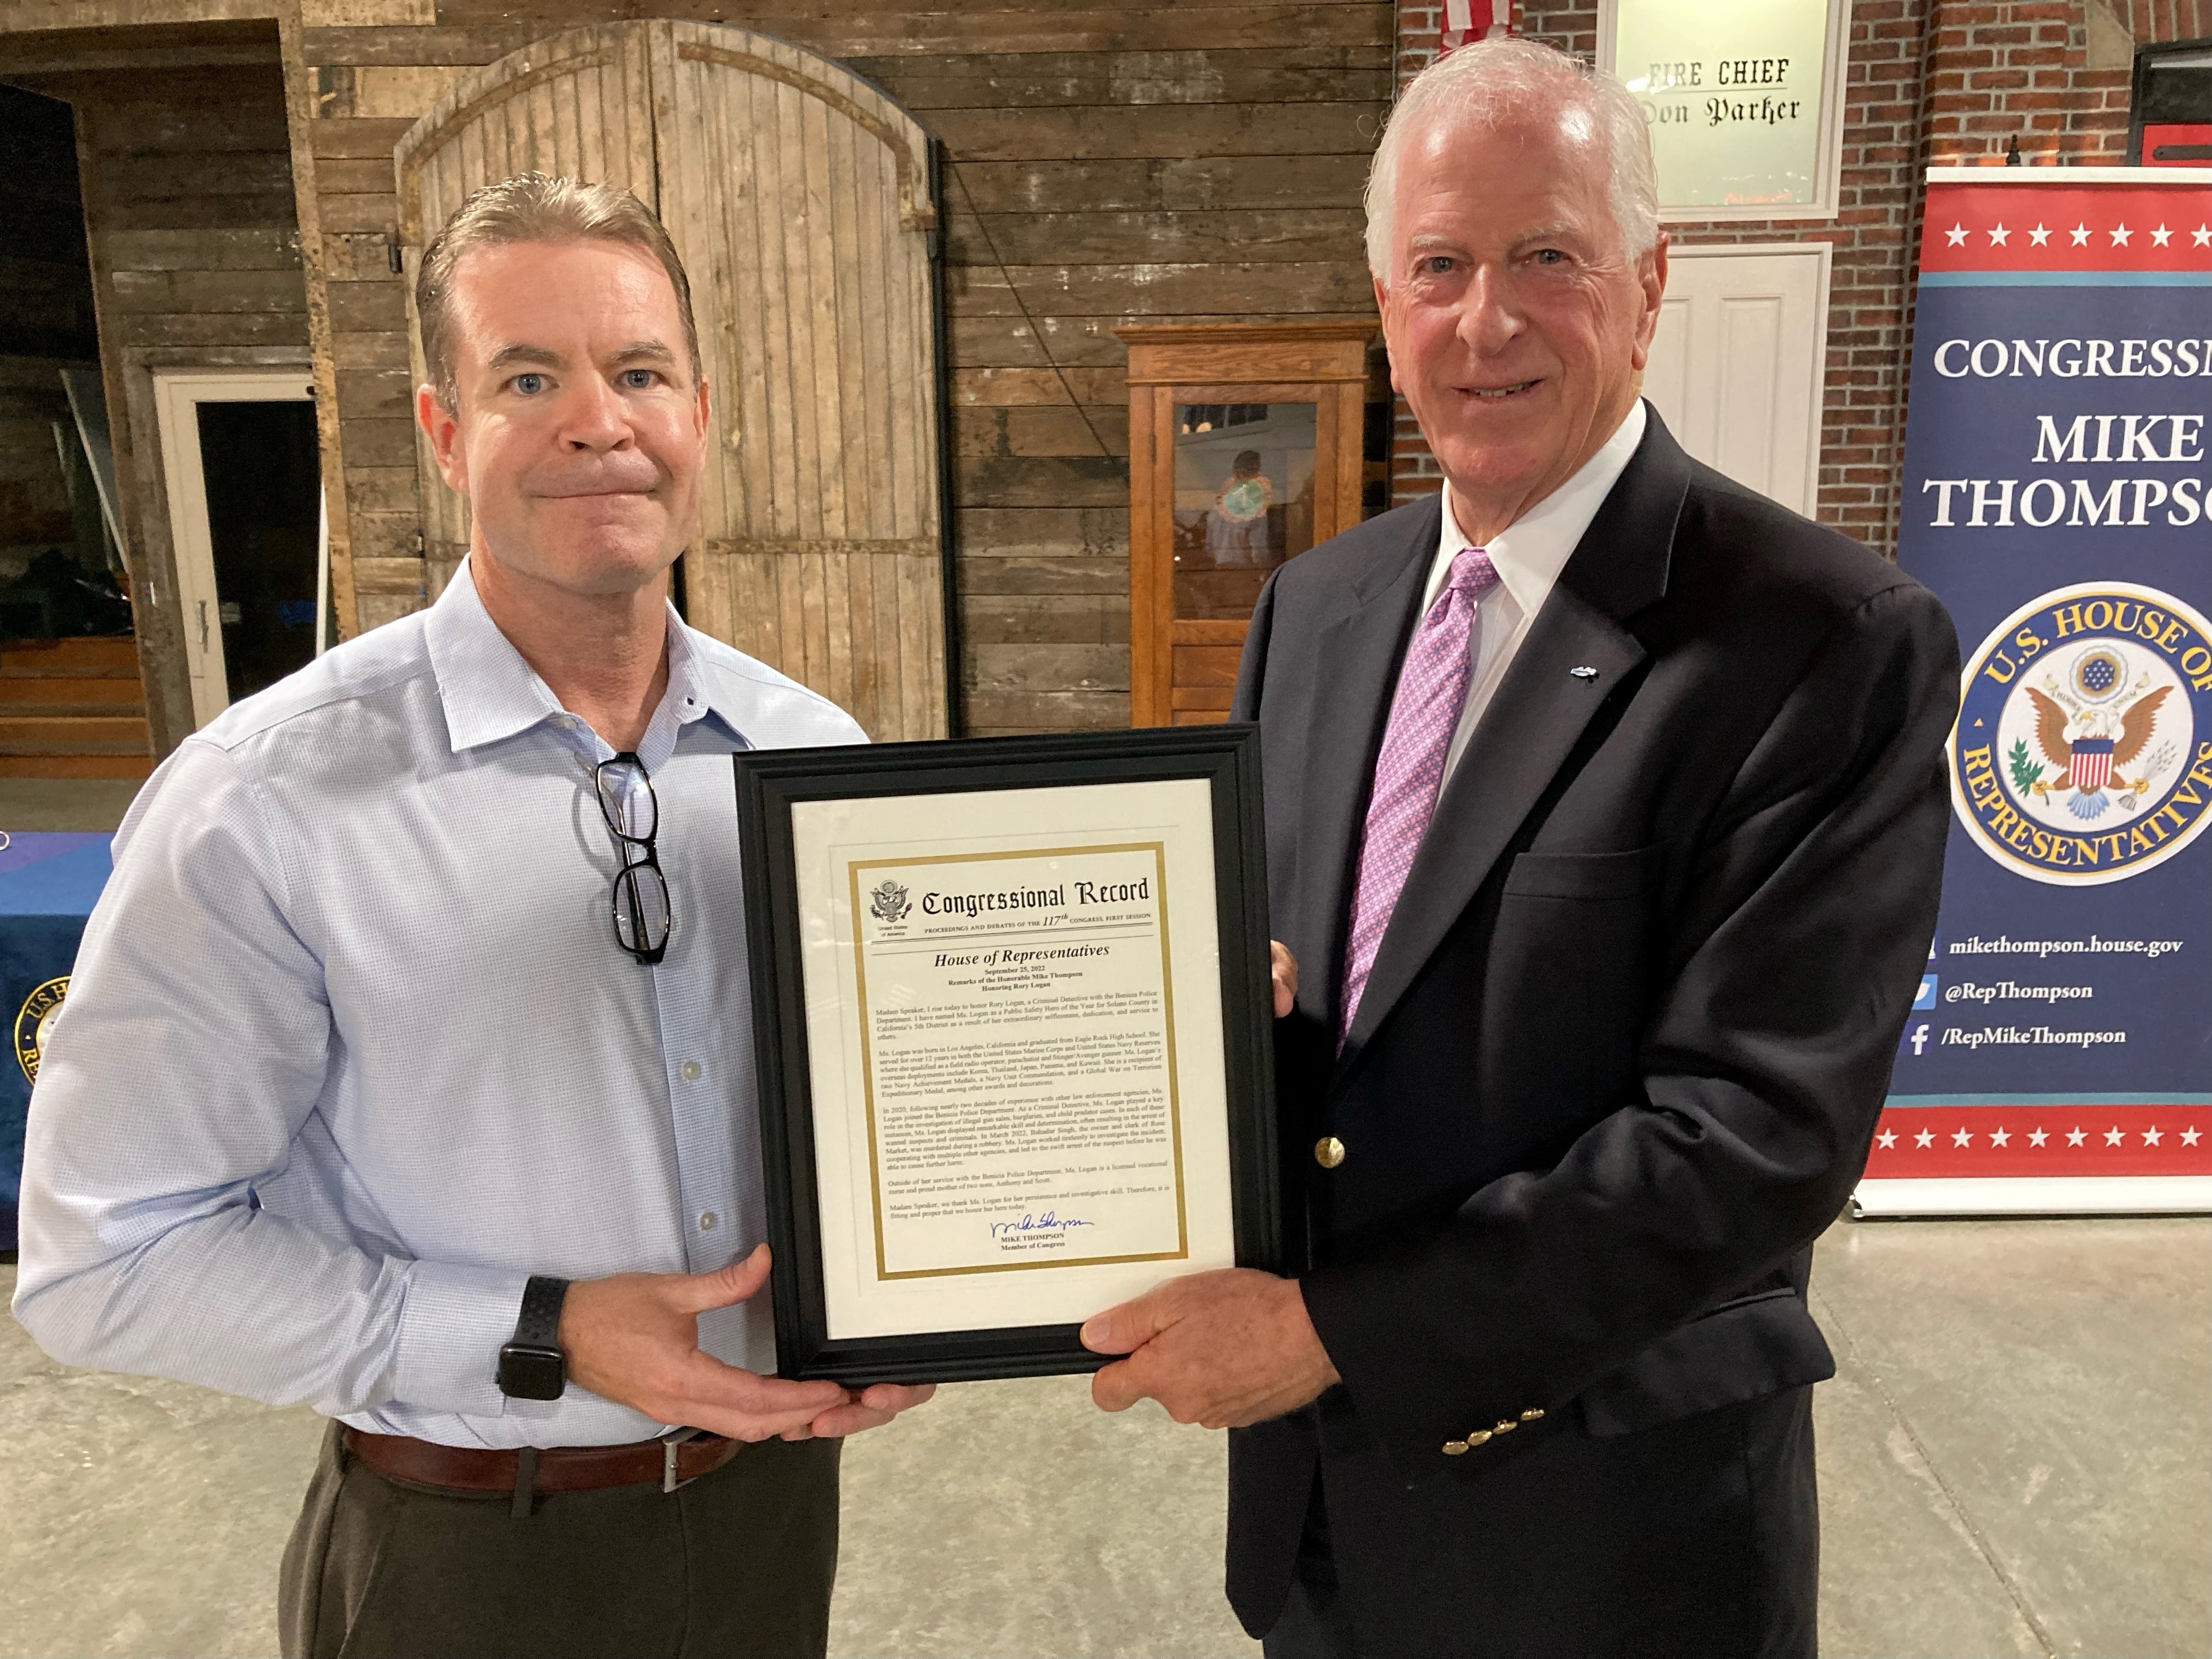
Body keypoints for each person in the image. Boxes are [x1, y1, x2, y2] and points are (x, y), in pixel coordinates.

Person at [1079, 40, 1959, 1658]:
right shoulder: (1317, 606)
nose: (1485, 320)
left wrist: (1330, 1334)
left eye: (1547, 256)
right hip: (1321, 1527)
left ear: (1649, 285)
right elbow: (1322, 1009)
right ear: (1385, 299)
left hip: (1610, 1542)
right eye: (1440, 266)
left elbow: (1753, 1138)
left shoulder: (1824, 641)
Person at [12, 173, 930, 1659]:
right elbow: (105, 1261)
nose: (599, 422)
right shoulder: (268, 798)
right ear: (446, 433)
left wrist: (923, 1301)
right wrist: (541, 1330)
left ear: (700, 416)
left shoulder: (813, 756)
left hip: (771, 1512)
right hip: (464, 1554)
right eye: (529, 379)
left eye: (640, 373)